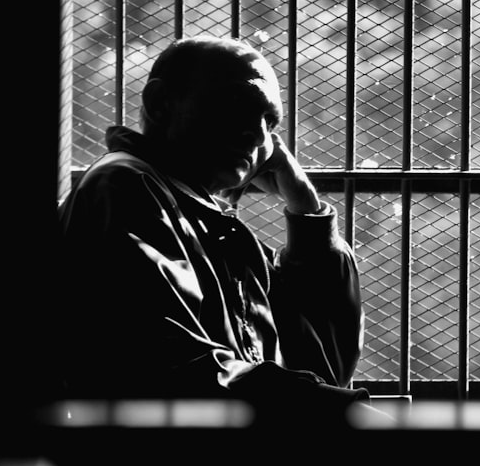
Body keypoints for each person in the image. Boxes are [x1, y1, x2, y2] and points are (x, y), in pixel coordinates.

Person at [56, 34, 371, 430]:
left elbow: (328, 365)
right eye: (239, 106)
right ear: (159, 103)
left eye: (270, 122)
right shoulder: (124, 188)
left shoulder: (213, 226)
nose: (259, 137)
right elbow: (167, 365)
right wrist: (341, 413)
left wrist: (306, 208)